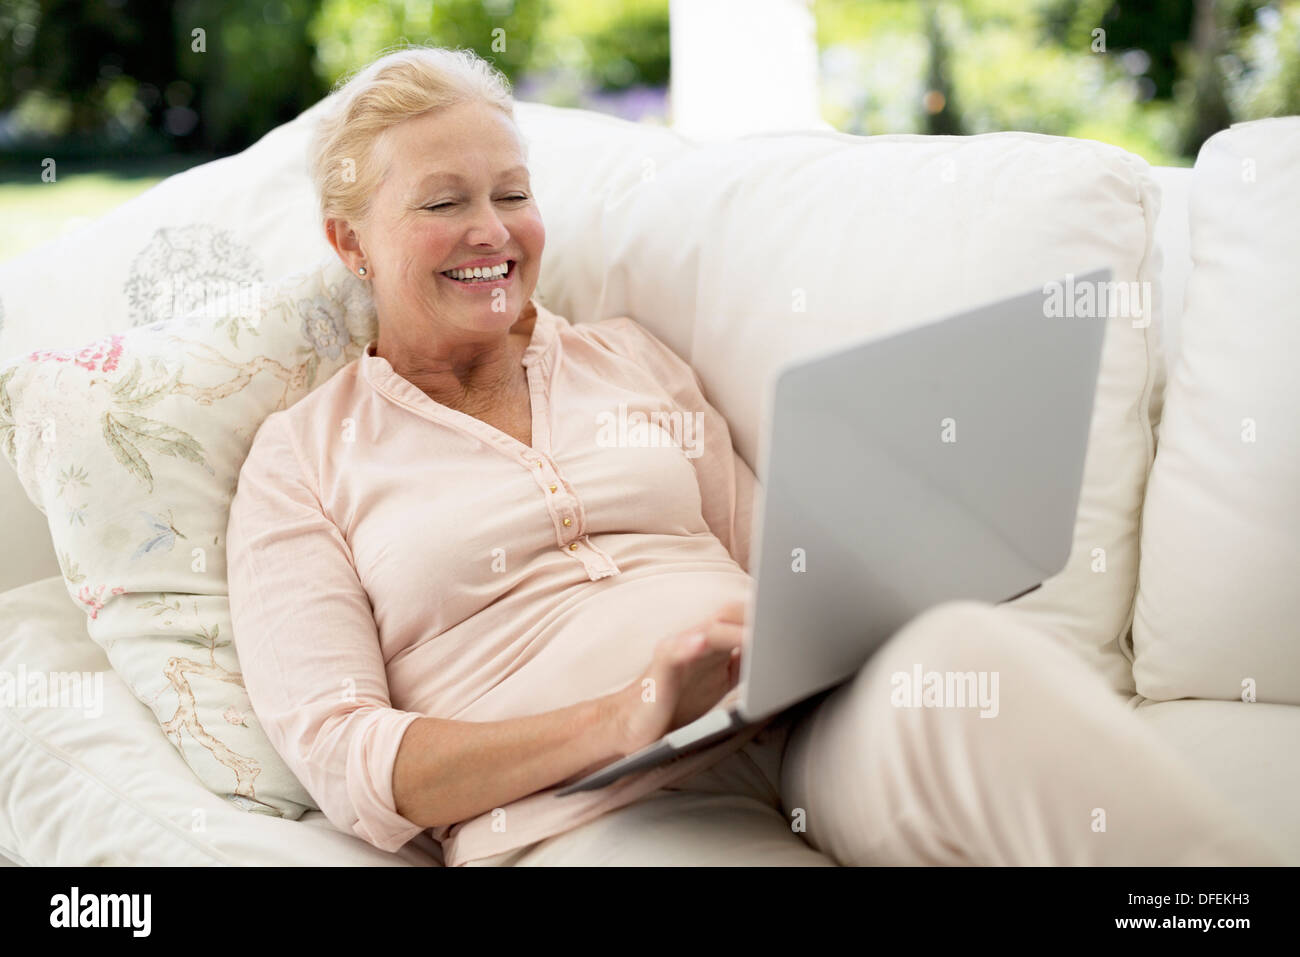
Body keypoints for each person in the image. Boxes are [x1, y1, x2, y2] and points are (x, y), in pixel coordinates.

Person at [225, 45, 1280, 867]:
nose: (491, 230)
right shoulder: (299, 462)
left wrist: (877, 576)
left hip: (796, 725)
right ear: (349, 242)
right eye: (443, 202)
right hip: (579, 812)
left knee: (965, 658)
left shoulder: (625, 358)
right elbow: (352, 761)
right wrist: (625, 714)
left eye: (511, 193)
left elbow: (779, 561)